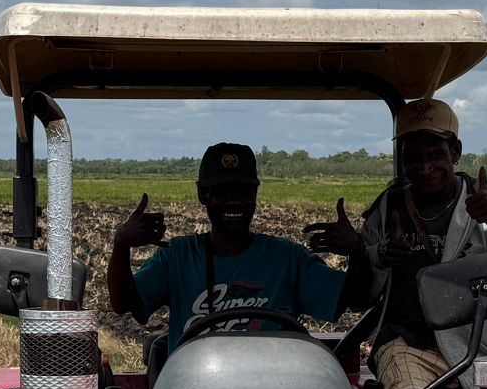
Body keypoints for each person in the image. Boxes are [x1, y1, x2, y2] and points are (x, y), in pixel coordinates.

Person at [304, 98, 487, 389]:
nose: (424, 167)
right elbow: (361, 300)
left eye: (435, 154)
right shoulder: (387, 208)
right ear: (402, 159)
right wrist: (365, 251)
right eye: (413, 157)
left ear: (456, 151)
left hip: (480, 351)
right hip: (408, 344)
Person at [108, 143, 349, 356]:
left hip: (275, 388)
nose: (234, 200)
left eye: (243, 190)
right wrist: (121, 245)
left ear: (254, 194)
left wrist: (357, 251)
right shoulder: (177, 257)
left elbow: (354, 298)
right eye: (222, 191)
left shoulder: (288, 258)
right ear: (203, 194)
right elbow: (122, 303)